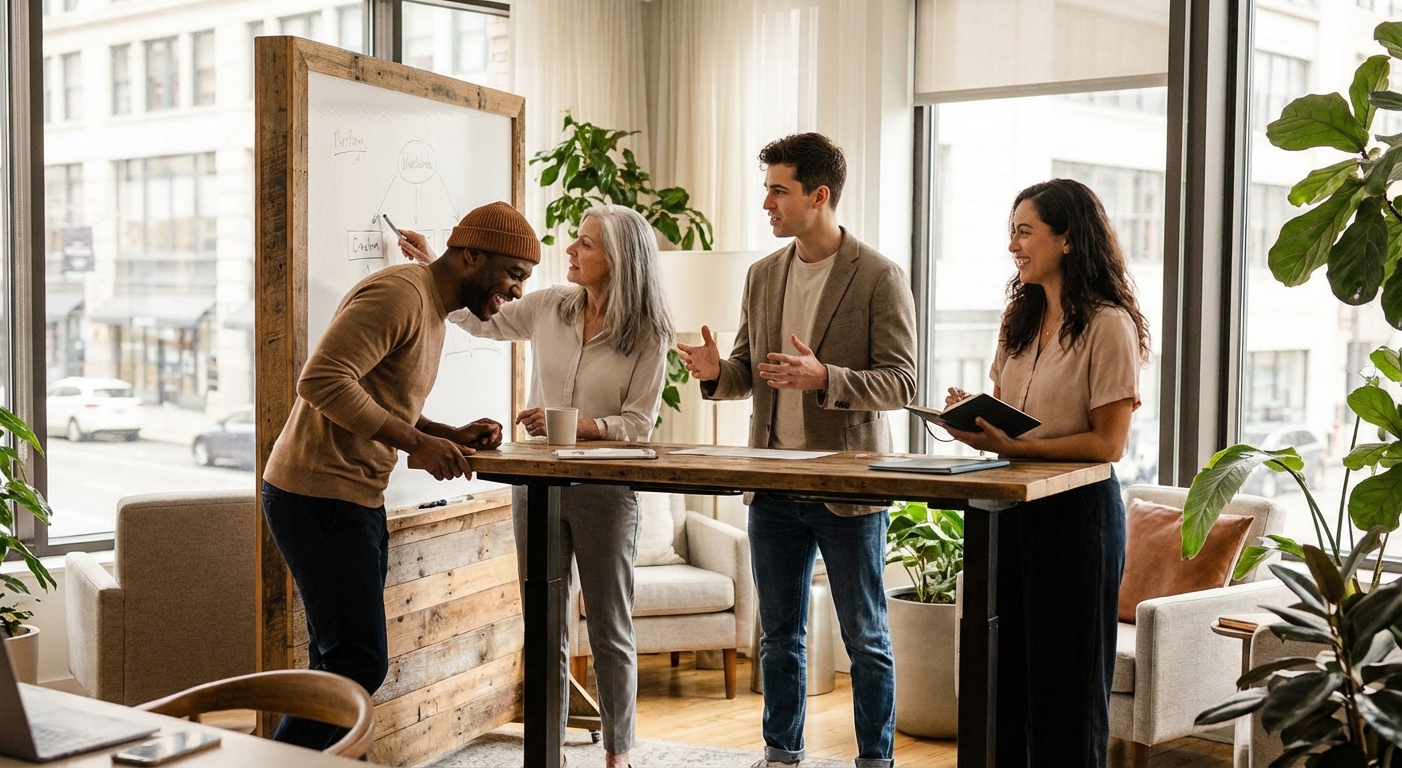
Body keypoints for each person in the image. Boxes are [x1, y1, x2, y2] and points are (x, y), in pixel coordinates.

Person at [399, 204, 672, 768]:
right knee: (544, 622)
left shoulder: (648, 333)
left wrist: (575, 424)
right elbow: (479, 319)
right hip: (538, 486)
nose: (570, 251)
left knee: (609, 624)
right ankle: (548, 752)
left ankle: (619, 754)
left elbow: (639, 424)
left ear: (617, 260)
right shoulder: (549, 306)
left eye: (585, 244)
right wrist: (433, 265)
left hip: (604, 489)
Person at [261, 201, 540, 750]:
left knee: (338, 665)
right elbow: (321, 381)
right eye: (513, 275)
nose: (516, 292)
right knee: (356, 664)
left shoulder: (431, 308)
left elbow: (380, 393)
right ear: (472, 255)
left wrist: (446, 433)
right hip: (318, 496)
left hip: (349, 496)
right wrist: (418, 442)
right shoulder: (400, 296)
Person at [677, 133, 917, 768]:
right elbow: (745, 372)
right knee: (779, 636)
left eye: (778, 190)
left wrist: (826, 379)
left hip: (847, 490)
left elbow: (903, 382)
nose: (766, 203)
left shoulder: (879, 276)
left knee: (865, 639)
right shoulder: (762, 276)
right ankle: (781, 754)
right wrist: (711, 372)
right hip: (773, 486)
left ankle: (875, 760)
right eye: (766, 190)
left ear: (820, 195)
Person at [941, 178, 1148, 766]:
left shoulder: (1109, 324)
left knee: (1069, 685)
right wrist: (977, 424)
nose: (1014, 245)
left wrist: (1018, 445)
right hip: (1010, 509)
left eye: (1025, 231)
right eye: (1012, 232)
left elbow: (1108, 443)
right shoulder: (1018, 318)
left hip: (1076, 515)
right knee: (1004, 680)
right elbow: (1013, 421)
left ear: (1067, 239)